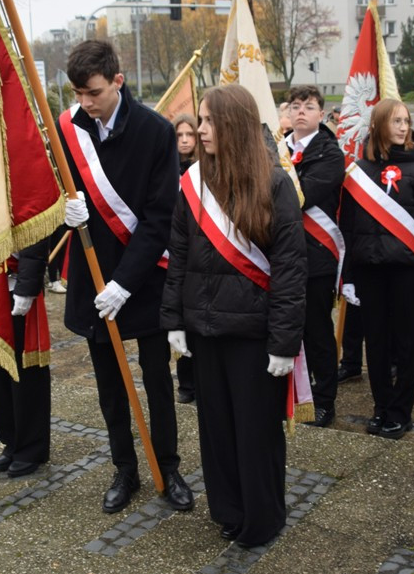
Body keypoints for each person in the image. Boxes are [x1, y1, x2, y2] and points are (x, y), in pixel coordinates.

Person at [49, 39, 192, 514]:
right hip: (92, 274)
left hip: (145, 277)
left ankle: (167, 466)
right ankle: (124, 468)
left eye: (93, 93)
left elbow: (159, 217)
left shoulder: (155, 131)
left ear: (117, 81)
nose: (85, 103)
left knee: (156, 379)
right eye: (78, 93)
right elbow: (56, 191)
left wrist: (125, 282)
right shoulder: (69, 129)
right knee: (110, 384)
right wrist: (62, 211)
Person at [160, 84, 306, 548]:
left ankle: (262, 518)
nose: (199, 130)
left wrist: (284, 343)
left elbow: (289, 271)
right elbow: (178, 255)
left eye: (206, 121)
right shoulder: (193, 182)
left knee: (256, 434)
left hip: (253, 336)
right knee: (217, 430)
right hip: (205, 332)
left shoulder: (275, 183)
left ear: (233, 125)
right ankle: (228, 509)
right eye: (199, 121)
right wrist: (175, 321)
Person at [339, 98, 414, 440]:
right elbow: (349, 228)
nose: (403, 127)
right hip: (369, 270)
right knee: (376, 343)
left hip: (406, 271)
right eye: (395, 121)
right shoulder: (358, 171)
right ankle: (381, 407)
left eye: (405, 121)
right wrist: (348, 276)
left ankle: (401, 412)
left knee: (407, 344)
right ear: (379, 125)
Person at [284, 85, 345, 427]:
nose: (301, 111)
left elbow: (300, 196)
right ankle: (292, 392)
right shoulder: (277, 148)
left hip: (317, 256)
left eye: (309, 106)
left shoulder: (329, 153)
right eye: (295, 106)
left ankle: (324, 400)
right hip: (283, 255)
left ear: (321, 114)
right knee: (287, 326)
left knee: (317, 332)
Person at [0, 242, 52, 478]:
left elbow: (34, 236)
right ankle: (10, 439)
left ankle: (31, 446)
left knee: (25, 369)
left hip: (17, 280)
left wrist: (28, 285)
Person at [172, 113, 198, 405]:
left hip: (200, 249)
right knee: (178, 318)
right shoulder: (167, 171)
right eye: (179, 136)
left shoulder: (204, 170)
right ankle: (185, 383)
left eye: (189, 135)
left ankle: (199, 380)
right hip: (175, 250)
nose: (185, 140)